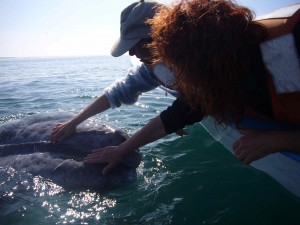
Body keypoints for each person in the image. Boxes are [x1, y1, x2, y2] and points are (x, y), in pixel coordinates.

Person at [84, 0, 300, 172]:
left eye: (177, 65)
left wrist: (277, 140)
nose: (177, 78)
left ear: (207, 59)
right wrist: (122, 149)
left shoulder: (288, 52)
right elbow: (184, 110)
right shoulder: (213, 77)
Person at [52, 0, 203, 171]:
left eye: (135, 44)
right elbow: (117, 93)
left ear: (159, 37)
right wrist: (75, 121)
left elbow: (188, 109)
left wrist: (121, 150)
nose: (130, 52)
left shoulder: (205, 59)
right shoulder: (153, 66)